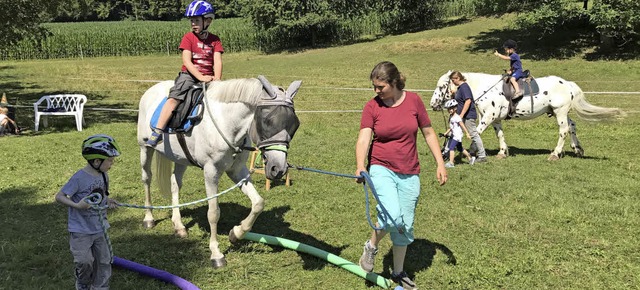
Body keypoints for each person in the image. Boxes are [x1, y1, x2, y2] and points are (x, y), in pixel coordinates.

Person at [355, 61, 447, 290]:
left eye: (380, 87)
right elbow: (364, 138)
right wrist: (360, 165)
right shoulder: (372, 107)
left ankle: (398, 272)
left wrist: (440, 163)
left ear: (394, 82)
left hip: (410, 170)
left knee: (404, 224)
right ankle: (371, 246)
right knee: (393, 216)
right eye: (374, 86)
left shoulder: (414, 101)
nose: (376, 91)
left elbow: (428, 133)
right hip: (381, 167)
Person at [146, 0, 224, 147]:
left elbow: (217, 61)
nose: (193, 23)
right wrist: (200, 77)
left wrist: (217, 80)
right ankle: (158, 130)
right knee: (175, 97)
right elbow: (187, 61)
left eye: (196, 20)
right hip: (189, 76)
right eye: (191, 21)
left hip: (210, 77)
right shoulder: (188, 38)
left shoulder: (215, 40)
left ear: (207, 20)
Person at [55, 134, 121, 290]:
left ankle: (100, 287)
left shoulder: (104, 175)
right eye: (110, 160)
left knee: (104, 261)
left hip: (100, 228)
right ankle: (83, 284)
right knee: (85, 262)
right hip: (81, 231)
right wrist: (77, 205)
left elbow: (102, 195)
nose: (112, 163)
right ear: (96, 161)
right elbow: (59, 196)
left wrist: (107, 201)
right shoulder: (79, 178)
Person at [449, 71, 487, 163]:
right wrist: (454, 94)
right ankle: (450, 152)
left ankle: (482, 155)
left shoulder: (464, 87)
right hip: (463, 115)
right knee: (455, 133)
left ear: (458, 78)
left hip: (468, 115)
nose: (453, 82)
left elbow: (468, 101)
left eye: (453, 80)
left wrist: (461, 114)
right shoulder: (460, 88)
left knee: (473, 134)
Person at [443, 99, 473, 168]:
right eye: (448, 109)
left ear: (455, 108)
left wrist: (467, 133)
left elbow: (462, 125)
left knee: (451, 148)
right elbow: (451, 127)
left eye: (451, 109)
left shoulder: (457, 117)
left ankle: (451, 163)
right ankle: (470, 158)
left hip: (457, 136)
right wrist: (446, 133)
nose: (449, 110)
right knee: (460, 148)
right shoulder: (452, 117)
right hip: (454, 135)